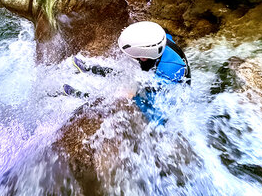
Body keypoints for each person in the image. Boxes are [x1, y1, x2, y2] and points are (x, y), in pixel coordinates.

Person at [63, 21, 191, 124]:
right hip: (160, 79)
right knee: (124, 76)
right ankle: (90, 69)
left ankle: (86, 97)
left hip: (164, 102)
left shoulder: (167, 72)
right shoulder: (161, 39)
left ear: (145, 56)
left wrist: (133, 97)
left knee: (119, 99)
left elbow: (159, 111)